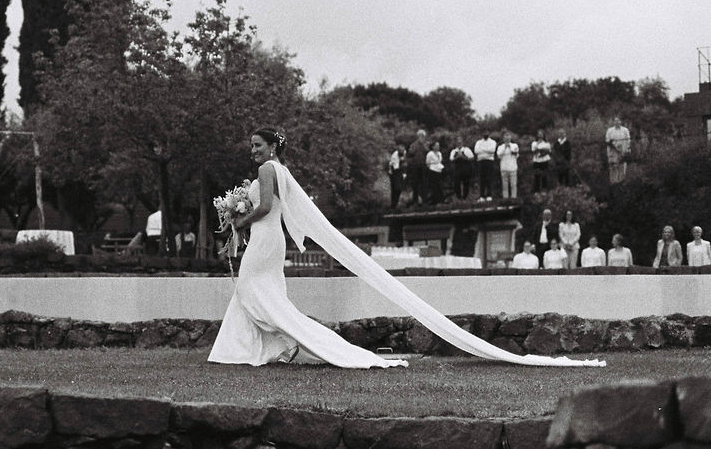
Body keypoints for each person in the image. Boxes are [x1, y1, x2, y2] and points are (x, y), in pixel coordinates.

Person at [207, 126, 604, 368]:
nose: (253, 151)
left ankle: (287, 341)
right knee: (258, 292)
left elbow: (262, 207)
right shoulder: (280, 169)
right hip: (268, 241)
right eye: (252, 147)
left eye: (258, 146)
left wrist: (236, 219)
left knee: (253, 290)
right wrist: (240, 216)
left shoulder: (267, 170)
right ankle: (258, 347)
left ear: (271, 148)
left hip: (264, 239)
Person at [405, 130, 429, 206]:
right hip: (415, 166)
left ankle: (425, 201)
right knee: (415, 183)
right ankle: (415, 201)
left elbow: (428, 152)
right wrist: (417, 144)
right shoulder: (413, 144)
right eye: (420, 135)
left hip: (423, 166)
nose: (422, 137)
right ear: (418, 136)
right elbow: (410, 152)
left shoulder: (426, 144)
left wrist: (423, 145)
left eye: (423, 136)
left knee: (424, 184)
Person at [605, 117, 631, 184]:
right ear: (613, 122)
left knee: (622, 169)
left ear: (621, 121)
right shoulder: (610, 130)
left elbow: (628, 141)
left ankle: (622, 183)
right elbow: (607, 141)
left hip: (623, 153)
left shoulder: (625, 130)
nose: (617, 122)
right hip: (612, 154)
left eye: (618, 120)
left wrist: (627, 150)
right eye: (615, 121)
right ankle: (613, 183)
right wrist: (616, 148)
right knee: (613, 168)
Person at [473, 131, 497, 200]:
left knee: (489, 178)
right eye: (484, 132)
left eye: (486, 132)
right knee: (481, 179)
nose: (485, 133)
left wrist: (482, 150)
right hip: (481, 161)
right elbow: (476, 151)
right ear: (482, 134)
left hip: (489, 161)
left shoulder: (493, 142)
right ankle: (482, 196)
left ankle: (489, 195)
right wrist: (486, 151)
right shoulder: (478, 142)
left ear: (489, 133)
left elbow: (492, 150)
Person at [449, 136, 474, 200]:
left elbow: (472, 158)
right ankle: (459, 197)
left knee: (466, 183)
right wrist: (457, 157)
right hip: (457, 170)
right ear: (456, 143)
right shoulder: (453, 151)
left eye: (460, 142)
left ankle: (465, 197)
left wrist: (463, 157)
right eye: (458, 142)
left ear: (462, 142)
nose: (459, 143)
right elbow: (451, 159)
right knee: (456, 184)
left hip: (466, 169)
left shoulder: (467, 149)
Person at [496, 131, 519, 199]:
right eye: (505, 136)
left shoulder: (515, 145)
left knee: (513, 185)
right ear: (503, 138)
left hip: (513, 168)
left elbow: (516, 155)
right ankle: (505, 199)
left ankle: (513, 199)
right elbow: (499, 156)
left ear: (510, 137)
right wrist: (505, 148)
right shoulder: (500, 147)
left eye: (508, 136)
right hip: (504, 168)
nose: (507, 138)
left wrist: (510, 147)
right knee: (505, 186)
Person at [388, 144, 406, 210]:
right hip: (395, 171)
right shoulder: (394, 155)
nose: (402, 151)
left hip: (400, 170)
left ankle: (395, 204)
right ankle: (393, 205)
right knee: (396, 188)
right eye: (400, 150)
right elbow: (391, 165)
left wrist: (404, 172)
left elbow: (403, 162)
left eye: (403, 150)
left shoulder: (404, 152)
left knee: (399, 189)